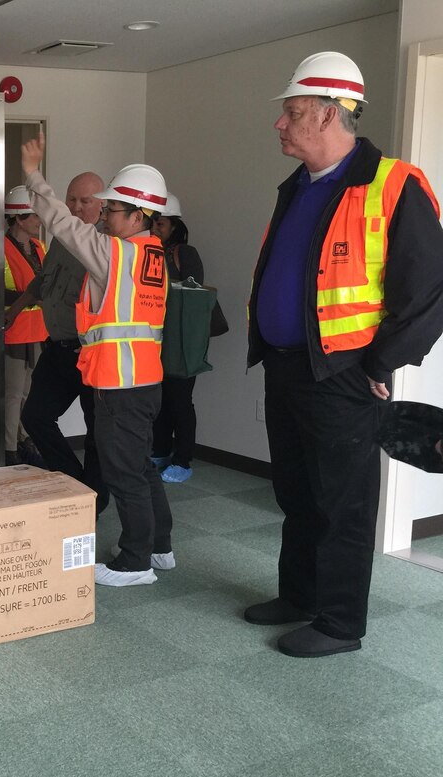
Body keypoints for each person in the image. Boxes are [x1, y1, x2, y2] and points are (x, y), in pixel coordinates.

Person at [244, 52, 443, 657]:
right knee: (297, 492)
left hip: (342, 374)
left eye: (292, 112)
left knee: (342, 502)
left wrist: (379, 364)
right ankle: (300, 594)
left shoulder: (394, 184)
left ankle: (338, 623)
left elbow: (428, 290)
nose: (280, 124)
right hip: (287, 367)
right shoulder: (299, 187)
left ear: (328, 113)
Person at [22, 134, 173, 586]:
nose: (103, 216)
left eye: (110, 209)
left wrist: (33, 174)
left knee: (123, 473)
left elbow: (63, 224)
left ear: (138, 215)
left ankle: (135, 562)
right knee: (140, 466)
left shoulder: (116, 254)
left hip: (119, 385)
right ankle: (159, 547)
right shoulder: (151, 255)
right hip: (143, 381)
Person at [6, 171, 109, 513]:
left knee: (96, 433)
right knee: (35, 416)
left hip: (92, 353)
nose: (77, 207)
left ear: (102, 204)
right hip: (58, 349)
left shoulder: (104, 245)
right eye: (71, 199)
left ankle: (94, 501)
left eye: (86, 201)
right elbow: (42, 281)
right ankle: (75, 482)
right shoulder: (61, 241)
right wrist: (16, 309)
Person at [151, 193, 205, 483]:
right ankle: (159, 451)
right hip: (156, 338)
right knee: (160, 398)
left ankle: (183, 460)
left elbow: (193, 294)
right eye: (153, 223)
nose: (155, 228)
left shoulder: (185, 253)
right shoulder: (144, 250)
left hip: (183, 339)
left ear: (174, 226)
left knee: (181, 400)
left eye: (161, 223)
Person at [1, 186, 48, 465]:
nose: (39, 220)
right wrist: (34, 298)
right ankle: (10, 449)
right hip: (15, 331)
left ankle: (24, 438)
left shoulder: (40, 247)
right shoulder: (1, 248)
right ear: (19, 218)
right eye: (34, 216)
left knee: (30, 392)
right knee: (13, 393)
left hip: (39, 330)